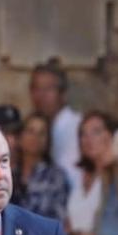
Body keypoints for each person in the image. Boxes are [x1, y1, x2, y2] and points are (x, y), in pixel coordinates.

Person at [66, 111, 118, 235]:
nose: (88, 139)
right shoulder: (78, 177)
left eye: (96, 132)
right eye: (83, 134)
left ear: (111, 135)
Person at [31, 61, 83, 195]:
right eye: (36, 88)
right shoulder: (34, 130)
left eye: (48, 89)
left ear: (62, 93)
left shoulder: (79, 126)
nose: (41, 96)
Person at [11, 112, 70, 223]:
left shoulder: (56, 176)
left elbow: (58, 218)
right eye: (30, 131)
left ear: (48, 140)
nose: (35, 137)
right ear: (20, 137)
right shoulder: (10, 174)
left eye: (42, 133)